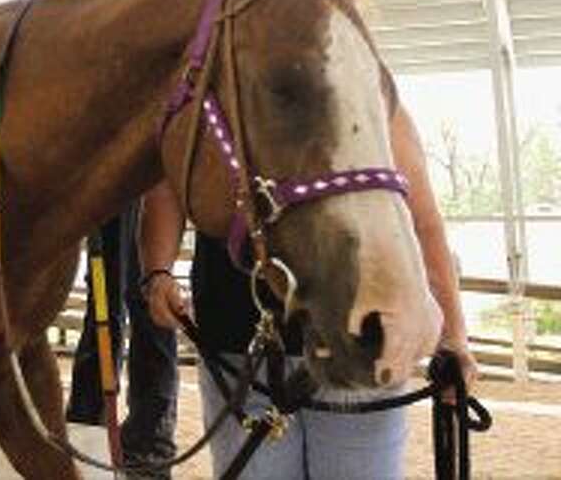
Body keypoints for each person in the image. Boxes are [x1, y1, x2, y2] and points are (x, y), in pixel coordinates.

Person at [144, 95, 479, 475]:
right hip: (238, 347)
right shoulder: (206, 104)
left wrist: (454, 336)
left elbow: (424, 222)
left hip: (360, 345)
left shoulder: (374, 100)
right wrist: (158, 271)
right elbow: (168, 186)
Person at [45, 0, 179, 477]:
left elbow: (132, 26)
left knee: (141, 285)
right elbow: (55, 36)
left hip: (140, 129)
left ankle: (151, 432)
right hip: (84, 133)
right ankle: (88, 418)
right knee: (97, 280)